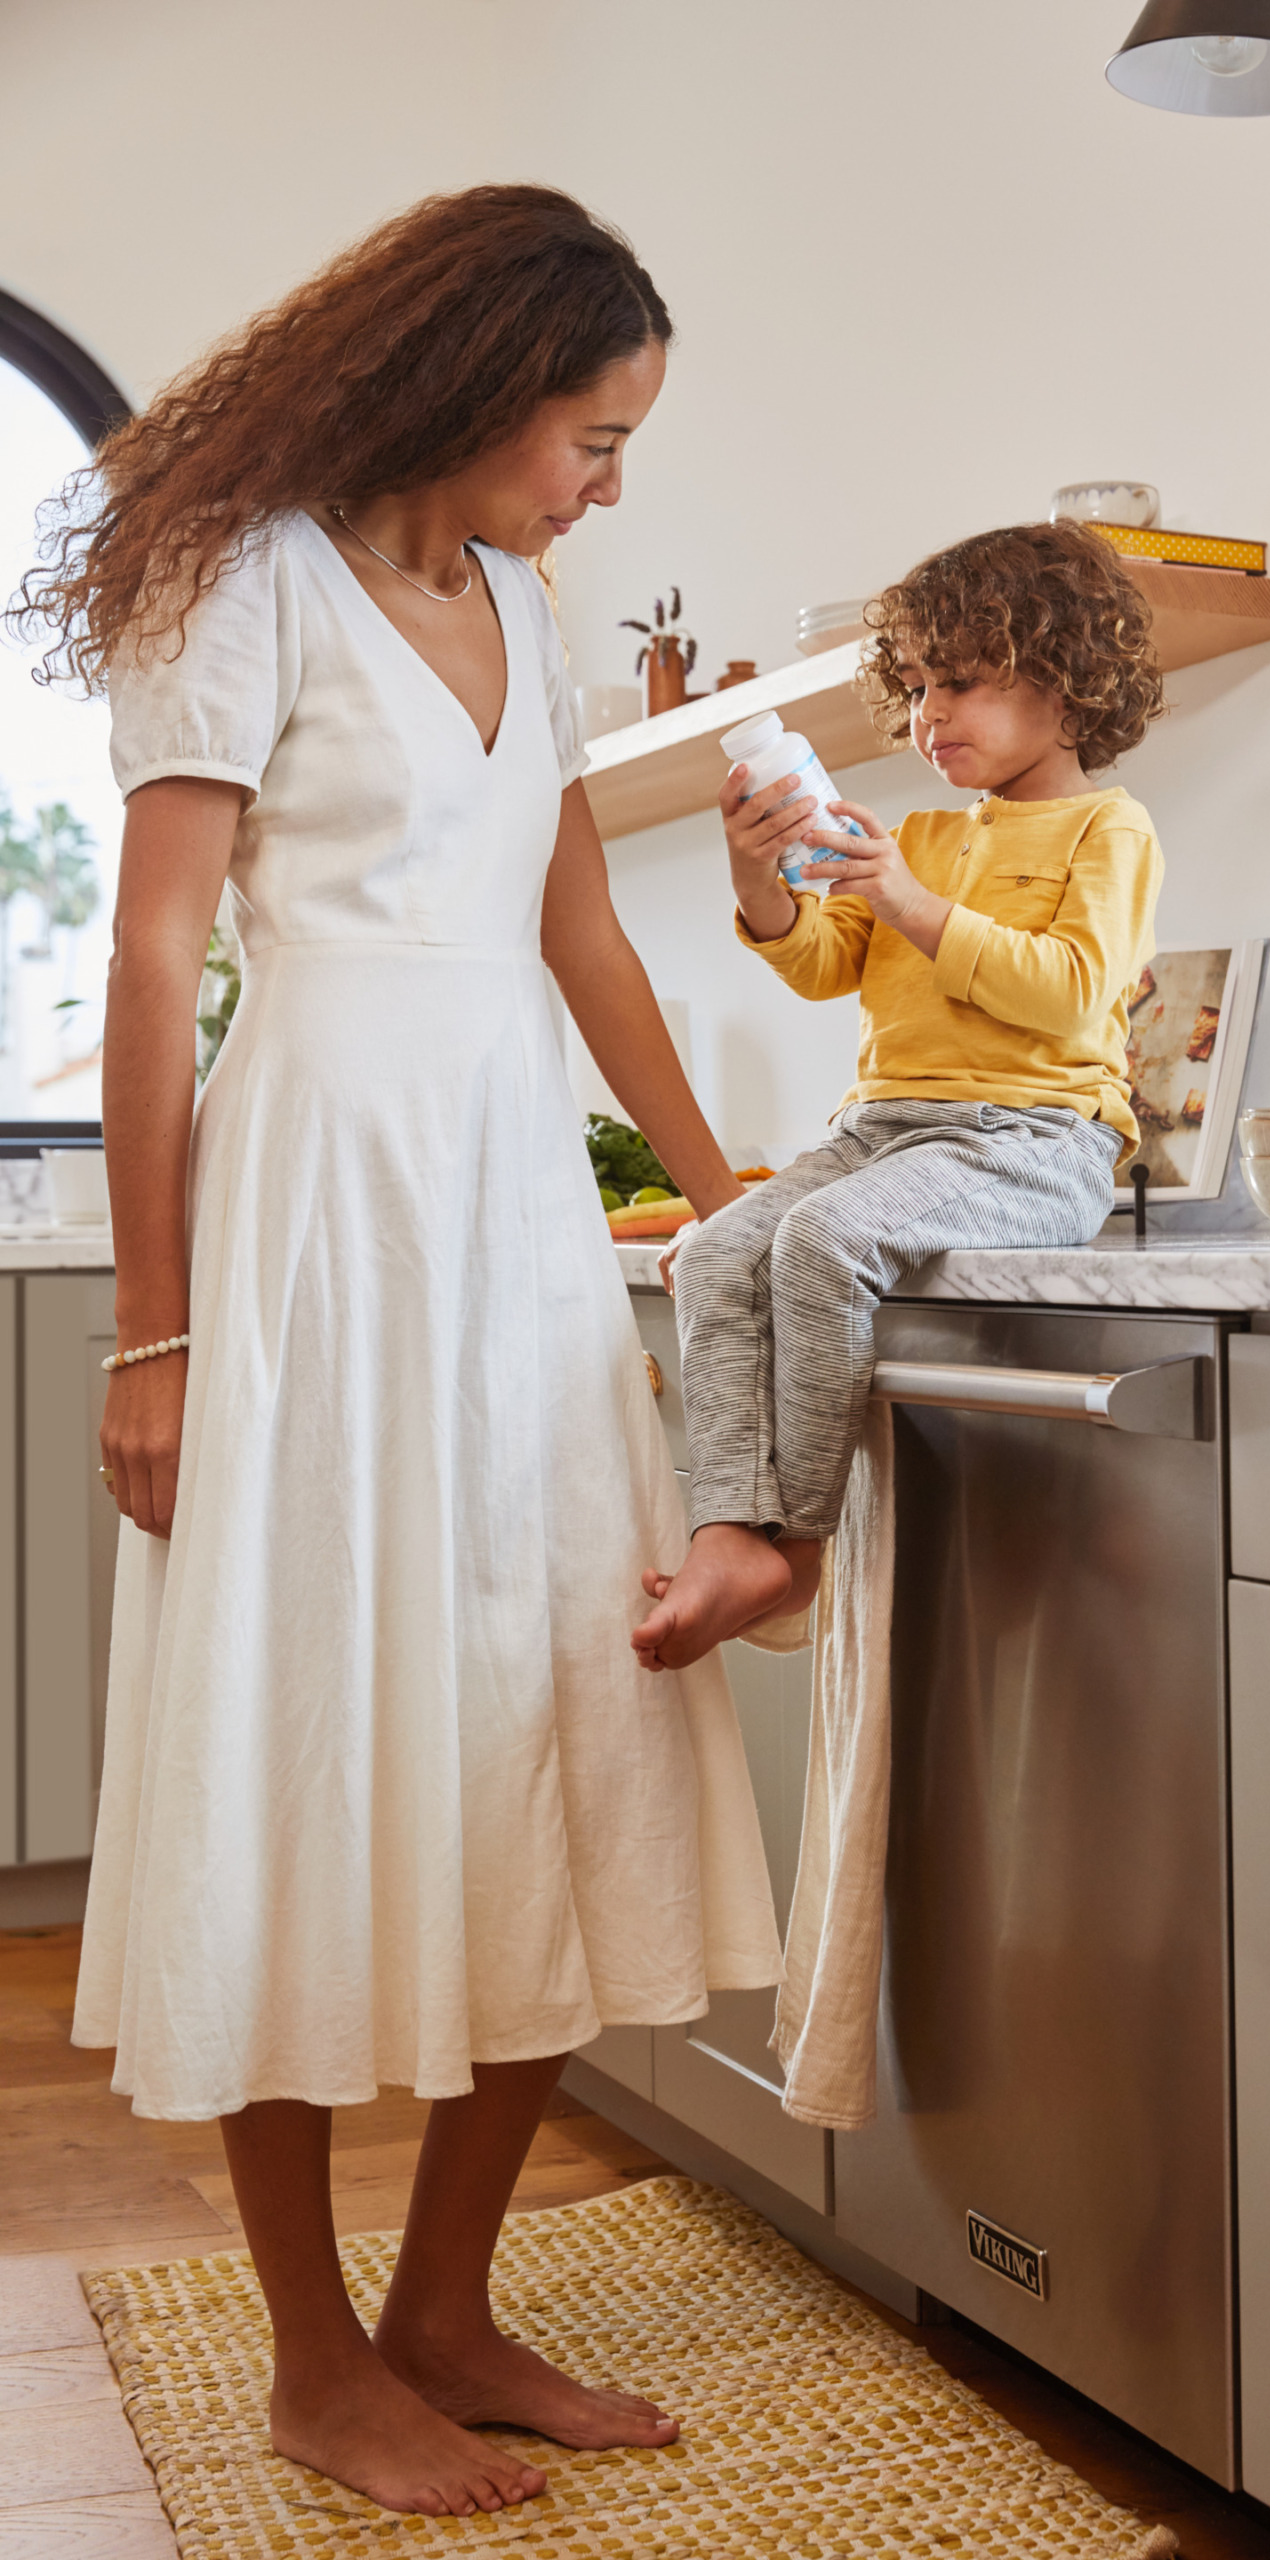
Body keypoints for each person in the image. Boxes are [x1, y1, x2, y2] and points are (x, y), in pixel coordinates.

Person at [14, 185, 782, 2517]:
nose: (606, 481)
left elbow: (578, 928)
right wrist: (151, 1328)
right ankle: (311, 2350)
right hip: (314, 1208)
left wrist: (722, 1180)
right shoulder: (240, 575)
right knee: (294, 1738)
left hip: (508, 1223)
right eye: (589, 430)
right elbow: (156, 961)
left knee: (551, 1712)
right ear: (469, 386)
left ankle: (447, 2301)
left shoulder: (529, 610)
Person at [634, 520, 1166, 1671]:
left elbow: (1074, 995)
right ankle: (731, 1529)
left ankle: (803, 1547)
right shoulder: (916, 835)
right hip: (885, 1131)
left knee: (821, 1239)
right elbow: (825, 962)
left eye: (962, 682)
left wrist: (912, 901)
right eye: (919, 685)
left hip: (1035, 1137)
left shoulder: (1107, 829)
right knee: (724, 1249)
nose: (929, 712)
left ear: (1067, 680)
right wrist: (755, 877)